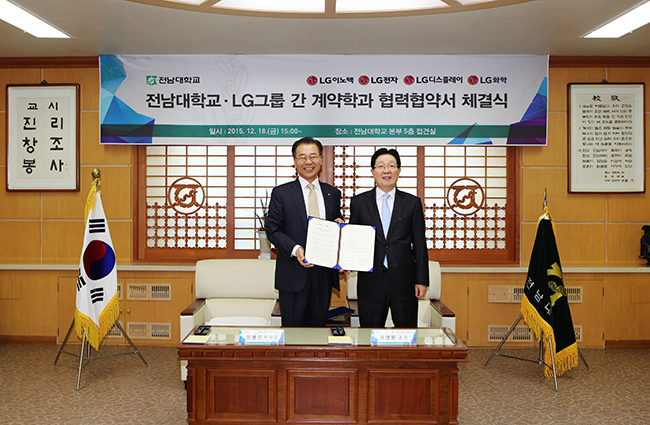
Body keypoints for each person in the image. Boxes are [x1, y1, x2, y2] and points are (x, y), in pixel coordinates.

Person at [266, 137, 343, 327]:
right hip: (293, 274)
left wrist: (340, 225)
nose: (308, 162)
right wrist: (296, 249)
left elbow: (336, 223)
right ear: (295, 161)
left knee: (318, 331)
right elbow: (273, 230)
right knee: (293, 332)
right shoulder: (281, 193)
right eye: (302, 157)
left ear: (321, 159)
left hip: (323, 275)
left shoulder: (332, 193)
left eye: (313, 156)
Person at [349, 148, 429, 328]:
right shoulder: (359, 203)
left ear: (399, 170)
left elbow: (419, 244)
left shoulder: (412, 203)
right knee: (369, 333)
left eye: (391, 166)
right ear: (372, 171)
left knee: (407, 333)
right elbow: (354, 239)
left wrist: (421, 280)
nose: (386, 170)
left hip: (404, 281)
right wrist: (347, 261)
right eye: (381, 166)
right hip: (371, 281)